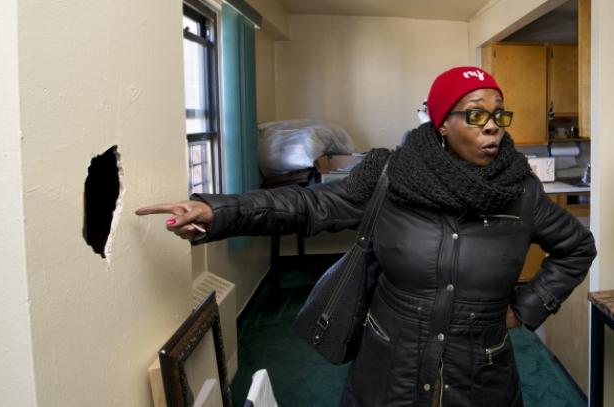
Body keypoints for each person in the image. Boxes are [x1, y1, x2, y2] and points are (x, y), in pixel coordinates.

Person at [136, 66, 596, 407]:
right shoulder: (390, 174)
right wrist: (217, 211)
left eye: (499, 114)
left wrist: (527, 306)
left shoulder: (522, 191)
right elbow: (309, 205)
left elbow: (577, 247)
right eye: (475, 115)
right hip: (388, 367)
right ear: (441, 123)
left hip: (482, 375)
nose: (493, 125)